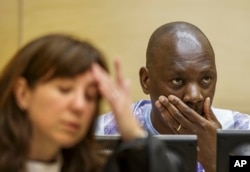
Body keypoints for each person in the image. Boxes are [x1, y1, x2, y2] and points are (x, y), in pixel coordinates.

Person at [0, 34, 176, 172]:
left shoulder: (93, 167)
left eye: (90, 96)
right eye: (64, 89)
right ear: (23, 93)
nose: (79, 106)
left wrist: (132, 131)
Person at [95, 21, 250, 172]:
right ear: (146, 80)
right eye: (177, 80)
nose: (194, 96)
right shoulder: (104, 133)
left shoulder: (241, 131)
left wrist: (221, 159)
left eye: (206, 79)